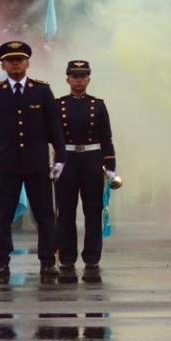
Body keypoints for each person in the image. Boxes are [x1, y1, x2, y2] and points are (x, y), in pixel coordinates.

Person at [0, 41, 66, 279]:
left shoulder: (41, 91)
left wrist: (60, 157)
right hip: (7, 164)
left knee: (45, 215)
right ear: (3, 64)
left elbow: (54, 127)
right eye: (10, 60)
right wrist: (4, 142)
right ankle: (1, 261)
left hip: (37, 163)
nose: (15, 64)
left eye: (19, 60)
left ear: (27, 63)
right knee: (3, 215)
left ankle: (48, 261)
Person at [55, 60, 117, 282]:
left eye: (83, 76)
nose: (78, 80)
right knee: (65, 212)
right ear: (67, 79)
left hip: (91, 159)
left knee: (93, 211)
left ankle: (92, 257)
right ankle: (67, 256)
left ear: (88, 79)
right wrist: (53, 162)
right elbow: (52, 138)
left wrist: (110, 167)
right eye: (74, 76)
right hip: (67, 160)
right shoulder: (58, 104)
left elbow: (106, 137)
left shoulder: (98, 105)